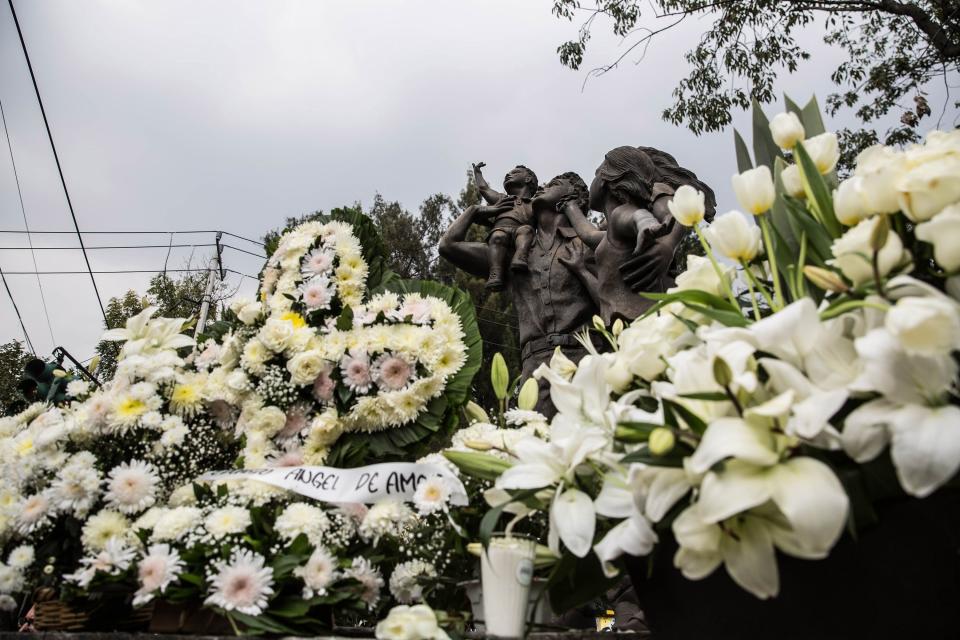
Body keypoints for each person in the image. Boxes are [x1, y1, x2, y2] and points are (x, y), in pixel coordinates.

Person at [439, 172, 599, 415]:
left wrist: (582, 271)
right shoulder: (513, 254)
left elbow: (612, 303)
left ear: (571, 196)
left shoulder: (589, 244)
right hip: (534, 370)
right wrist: (474, 211)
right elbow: (448, 246)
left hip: (586, 362)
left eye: (554, 184)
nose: (544, 186)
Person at [560, 146, 715, 324]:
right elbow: (589, 234)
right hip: (625, 328)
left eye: (596, 174)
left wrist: (660, 238)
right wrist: (569, 206)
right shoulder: (610, 235)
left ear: (604, 180)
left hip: (649, 322)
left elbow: (644, 216)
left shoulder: (629, 210)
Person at [471, 162, 539, 291]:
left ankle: (520, 257)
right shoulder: (501, 199)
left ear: (528, 179)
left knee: (526, 231)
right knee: (497, 237)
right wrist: (478, 173)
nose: (508, 175)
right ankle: (495, 274)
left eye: (515, 173)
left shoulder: (535, 204)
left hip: (522, 230)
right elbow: (484, 189)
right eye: (508, 174)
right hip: (500, 229)